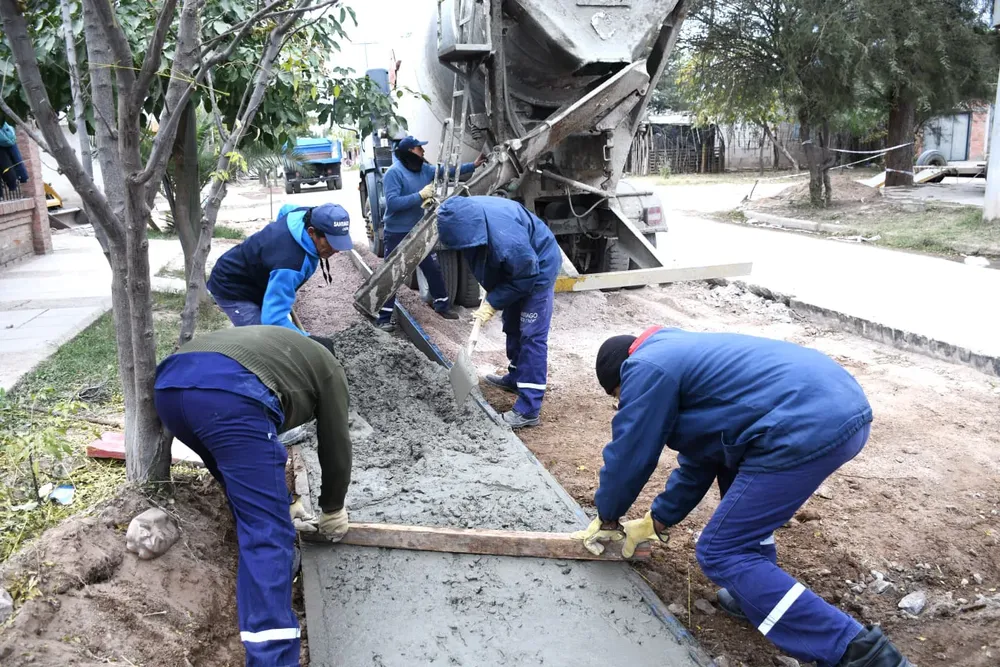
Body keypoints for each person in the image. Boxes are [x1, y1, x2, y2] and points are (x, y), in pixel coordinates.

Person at [572, 326, 912, 667]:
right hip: (836, 407)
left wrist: (608, 516)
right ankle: (753, 594)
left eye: (618, 396)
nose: (622, 402)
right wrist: (655, 521)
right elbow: (701, 461)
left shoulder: (646, 367)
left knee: (721, 551)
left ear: (620, 377)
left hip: (807, 424)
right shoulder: (678, 354)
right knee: (733, 481)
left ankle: (861, 653)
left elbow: (631, 451)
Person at [154, 326, 353, 667]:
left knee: (242, 486)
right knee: (268, 534)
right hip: (231, 396)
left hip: (171, 390)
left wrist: (285, 501)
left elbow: (244, 462)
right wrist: (333, 508)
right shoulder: (330, 368)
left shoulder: (279, 350)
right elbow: (336, 444)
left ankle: (265, 557)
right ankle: (272, 659)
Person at [436, 195, 560, 429]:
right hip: (516, 269)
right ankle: (516, 377)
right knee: (512, 323)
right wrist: (493, 289)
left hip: (538, 268)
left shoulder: (508, 242)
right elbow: (481, 256)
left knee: (531, 335)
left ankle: (529, 408)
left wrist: (493, 301)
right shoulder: (465, 215)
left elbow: (526, 276)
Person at [375, 135, 484, 330]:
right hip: (397, 232)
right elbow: (392, 203)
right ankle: (383, 318)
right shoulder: (394, 173)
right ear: (410, 152)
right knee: (393, 274)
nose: (423, 151)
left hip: (419, 229)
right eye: (419, 148)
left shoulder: (424, 170)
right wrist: (420, 196)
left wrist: (473, 165)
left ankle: (442, 305)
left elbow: (447, 171)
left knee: (432, 268)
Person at [207, 202, 352, 331]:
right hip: (232, 286)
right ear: (311, 232)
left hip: (257, 277)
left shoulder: (304, 214)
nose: (336, 250)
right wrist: (308, 341)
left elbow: (285, 209)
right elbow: (273, 320)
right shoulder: (290, 263)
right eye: (330, 242)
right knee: (264, 341)